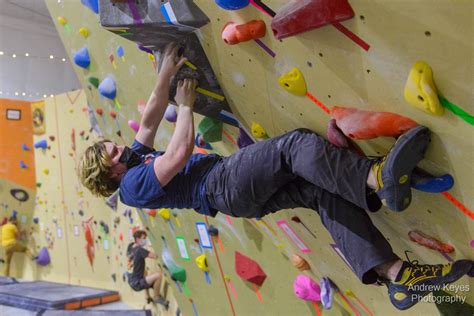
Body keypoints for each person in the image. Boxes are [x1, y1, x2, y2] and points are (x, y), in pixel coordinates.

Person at [78, 43, 472, 311]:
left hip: (232, 195)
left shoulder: (133, 161)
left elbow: (147, 121)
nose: (117, 146)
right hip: (220, 184)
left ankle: (395, 275)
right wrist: (185, 106)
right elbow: (179, 153)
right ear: (110, 171)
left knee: (322, 192)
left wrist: (165, 72)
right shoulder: (132, 185)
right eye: (110, 152)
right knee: (292, 147)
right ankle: (376, 176)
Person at [126, 229, 168, 309]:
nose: (145, 240)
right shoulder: (140, 250)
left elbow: (130, 257)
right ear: (138, 239)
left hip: (130, 279)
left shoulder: (130, 246)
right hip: (136, 284)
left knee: (144, 272)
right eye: (144, 238)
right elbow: (155, 256)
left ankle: (147, 296)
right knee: (158, 276)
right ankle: (156, 297)